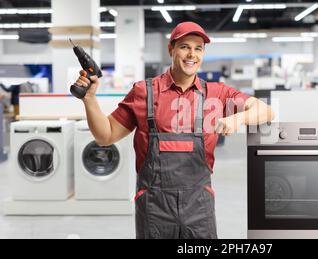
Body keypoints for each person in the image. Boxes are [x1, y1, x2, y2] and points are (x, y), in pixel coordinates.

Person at [73, 21, 274, 239]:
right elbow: (106, 136)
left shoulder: (217, 94)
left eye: (198, 48)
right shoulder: (144, 92)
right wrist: (90, 99)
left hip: (199, 205)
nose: (192, 54)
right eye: (185, 46)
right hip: (154, 206)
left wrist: (238, 118)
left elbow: (265, 111)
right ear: (171, 49)